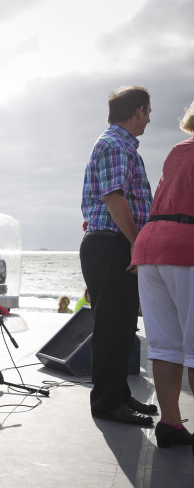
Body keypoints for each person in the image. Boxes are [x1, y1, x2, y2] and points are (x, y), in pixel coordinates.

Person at [80, 85, 157, 426]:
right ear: (138, 111)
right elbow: (114, 198)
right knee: (112, 327)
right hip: (113, 244)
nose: (150, 119)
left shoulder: (120, 145)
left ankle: (119, 394)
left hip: (115, 244)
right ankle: (108, 402)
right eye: (148, 112)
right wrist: (139, 245)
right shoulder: (114, 144)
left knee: (123, 326)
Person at [131, 99, 194, 449]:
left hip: (152, 247)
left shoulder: (177, 150)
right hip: (186, 248)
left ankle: (170, 423)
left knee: (166, 345)